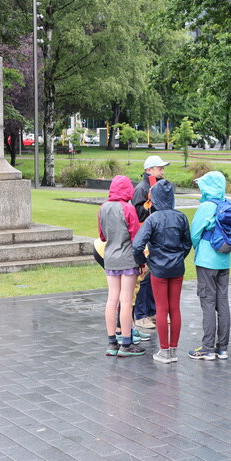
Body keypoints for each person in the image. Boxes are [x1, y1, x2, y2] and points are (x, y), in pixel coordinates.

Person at [132, 180, 192, 364]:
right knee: (174, 308)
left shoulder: (153, 219)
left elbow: (137, 246)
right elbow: (188, 243)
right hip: (176, 268)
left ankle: (165, 351)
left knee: (162, 308)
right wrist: (178, 258)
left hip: (158, 268)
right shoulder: (180, 217)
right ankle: (172, 350)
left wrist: (145, 261)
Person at [98, 175, 145, 357]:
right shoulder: (128, 208)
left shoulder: (103, 208)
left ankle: (112, 342)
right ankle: (126, 343)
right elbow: (136, 237)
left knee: (112, 299)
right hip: (127, 258)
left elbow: (102, 236)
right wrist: (141, 261)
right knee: (126, 300)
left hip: (110, 258)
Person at [188, 171, 231, 360]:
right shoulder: (228, 204)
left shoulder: (207, 206)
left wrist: (199, 249)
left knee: (207, 301)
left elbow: (194, 233)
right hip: (224, 259)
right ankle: (222, 348)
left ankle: (207, 347)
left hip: (207, 260)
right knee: (222, 302)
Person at [132, 156, 171, 330]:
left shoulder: (158, 186)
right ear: (149, 170)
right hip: (145, 237)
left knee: (155, 275)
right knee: (145, 277)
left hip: (156, 237)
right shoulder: (142, 188)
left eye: (162, 168)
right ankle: (141, 314)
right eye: (159, 168)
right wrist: (148, 206)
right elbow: (137, 213)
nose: (162, 171)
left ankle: (153, 311)